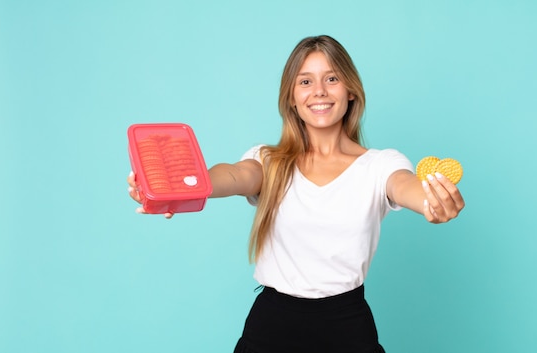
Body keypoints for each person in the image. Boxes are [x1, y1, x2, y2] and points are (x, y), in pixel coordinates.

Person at [127, 35, 464, 353]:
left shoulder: (380, 164)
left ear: (350, 90)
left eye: (331, 79)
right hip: (272, 325)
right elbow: (234, 174)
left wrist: (431, 201)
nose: (319, 91)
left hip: (347, 325)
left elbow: (405, 186)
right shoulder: (270, 161)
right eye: (305, 81)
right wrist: (179, 184)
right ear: (291, 96)